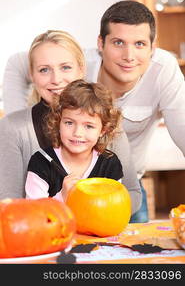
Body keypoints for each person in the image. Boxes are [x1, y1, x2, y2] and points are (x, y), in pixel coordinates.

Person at [0, 29, 142, 215]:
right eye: (44, 70)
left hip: (102, 234)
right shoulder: (12, 128)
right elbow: (9, 205)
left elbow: (132, 193)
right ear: (32, 75)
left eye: (65, 67)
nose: (56, 79)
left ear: (81, 69)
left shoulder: (104, 118)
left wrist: (91, 207)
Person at [25, 79, 124, 202]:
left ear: (103, 130)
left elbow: (114, 209)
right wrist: (63, 196)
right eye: (69, 123)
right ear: (58, 122)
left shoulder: (109, 164)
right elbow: (34, 215)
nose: (77, 133)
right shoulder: (41, 162)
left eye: (89, 126)